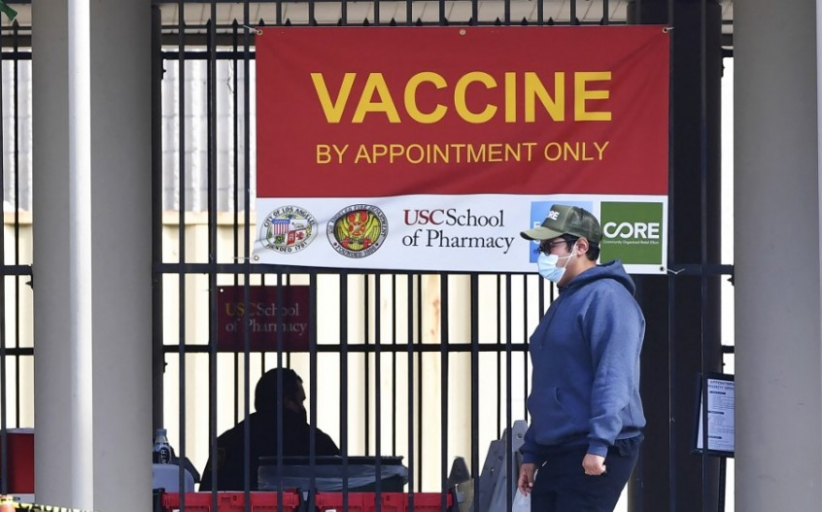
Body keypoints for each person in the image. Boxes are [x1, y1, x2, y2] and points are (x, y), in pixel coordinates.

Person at [516, 204, 645, 512]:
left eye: (550, 245)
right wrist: (532, 452)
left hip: (596, 446)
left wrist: (599, 444)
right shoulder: (567, 300)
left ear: (582, 246)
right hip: (562, 447)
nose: (543, 254)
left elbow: (614, 376)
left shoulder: (608, 297)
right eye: (541, 247)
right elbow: (549, 383)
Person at [200, 367, 340, 490]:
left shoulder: (230, 441)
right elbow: (343, 484)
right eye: (301, 401)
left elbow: (207, 493)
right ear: (288, 402)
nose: (303, 408)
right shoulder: (314, 441)